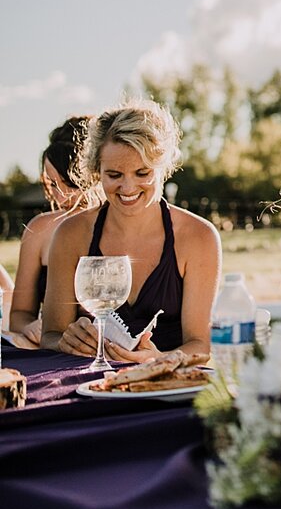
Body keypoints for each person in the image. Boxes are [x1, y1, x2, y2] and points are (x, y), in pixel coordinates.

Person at [42, 101, 221, 361]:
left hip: (168, 385)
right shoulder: (70, 235)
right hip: (88, 383)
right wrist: (65, 341)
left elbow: (200, 346)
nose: (128, 187)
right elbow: (50, 334)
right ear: (97, 171)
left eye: (142, 173)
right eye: (114, 175)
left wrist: (156, 361)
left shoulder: (199, 237)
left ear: (163, 168)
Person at [8, 116, 95, 346]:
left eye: (70, 183)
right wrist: (31, 326)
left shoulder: (120, 226)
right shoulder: (39, 230)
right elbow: (18, 316)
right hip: (53, 351)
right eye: (53, 184)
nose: (60, 196)